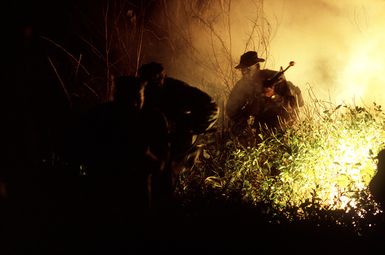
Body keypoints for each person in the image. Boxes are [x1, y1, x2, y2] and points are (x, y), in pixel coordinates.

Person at [78, 75, 169, 238]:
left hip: (118, 191)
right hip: (118, 191)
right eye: (138, 96)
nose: (137, 102)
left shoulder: (98, 114)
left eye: (139, 96)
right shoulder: (105, 116)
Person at [138, 62, 219, 210]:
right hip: (150, 146)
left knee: (165, 184)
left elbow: (211, 108)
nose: (153, 85)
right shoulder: (139, 92)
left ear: (164, 77)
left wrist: (188, 128)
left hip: (175, 146)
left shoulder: (177, 89)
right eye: (149, 81)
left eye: (158, 80)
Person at [226, 51, 303, 144]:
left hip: (280, 127)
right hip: (256, 130)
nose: (245, 73)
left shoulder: (275, 78)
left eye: (248, 69)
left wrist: (273, 95)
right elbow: (231, 110)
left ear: (257, 67)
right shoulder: (242, 85)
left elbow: (292, 105)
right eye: (243, 70)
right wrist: (245, 121)